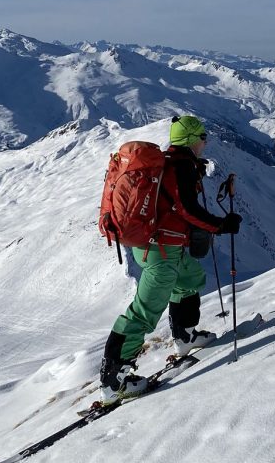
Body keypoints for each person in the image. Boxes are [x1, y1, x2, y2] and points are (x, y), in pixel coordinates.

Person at [99, 115, 243, 404]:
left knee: (190, 279)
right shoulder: (180, 167)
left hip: (157, 245)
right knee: (145, 310)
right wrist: (220, 225)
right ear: (191, 139)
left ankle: (185, 336)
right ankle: (114, 381)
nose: (206, 141)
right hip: (159, 249)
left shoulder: (174, 163)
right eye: (202, 136)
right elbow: (187, 208)